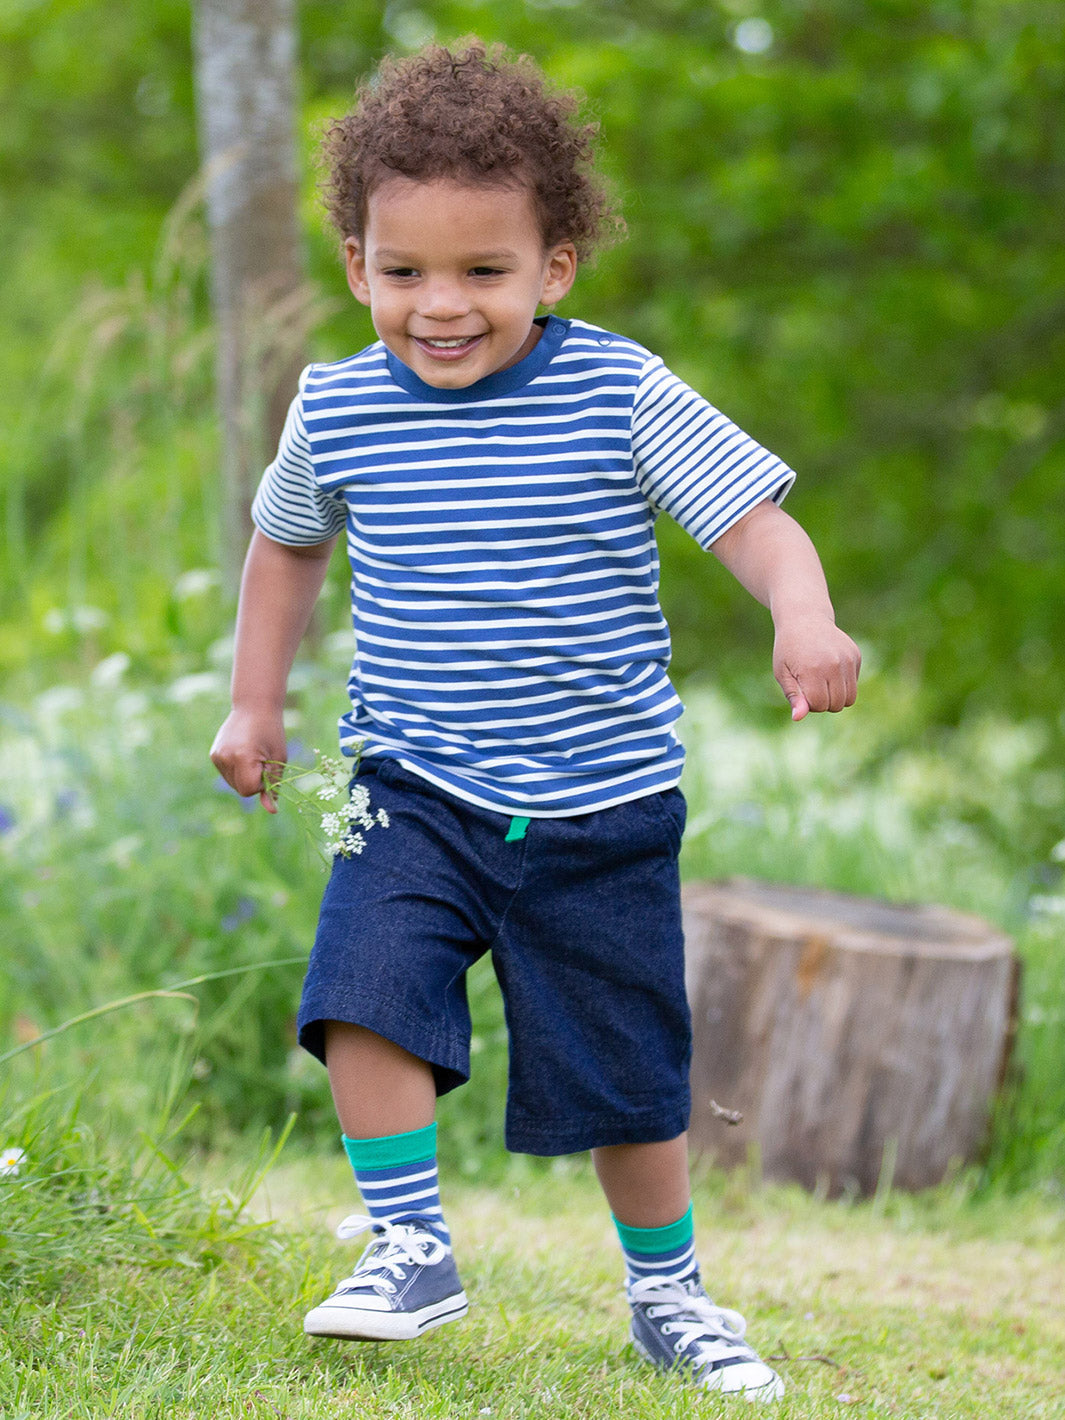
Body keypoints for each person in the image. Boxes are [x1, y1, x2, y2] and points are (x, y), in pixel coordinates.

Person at [210, 39, 860, 1403]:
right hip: (410, 788)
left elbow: (752, 521)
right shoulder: (333, 407)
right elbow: (283, 552)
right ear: (355, 267)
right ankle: (407, 1247)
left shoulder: (617, 389)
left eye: (482, 273)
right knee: (363, 1000)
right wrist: (253, 702)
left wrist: (800, 615)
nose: (439, 306)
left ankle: (668, 1294)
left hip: (601, 805)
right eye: (404, 274)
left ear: (553, 266)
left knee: (627, 1073)